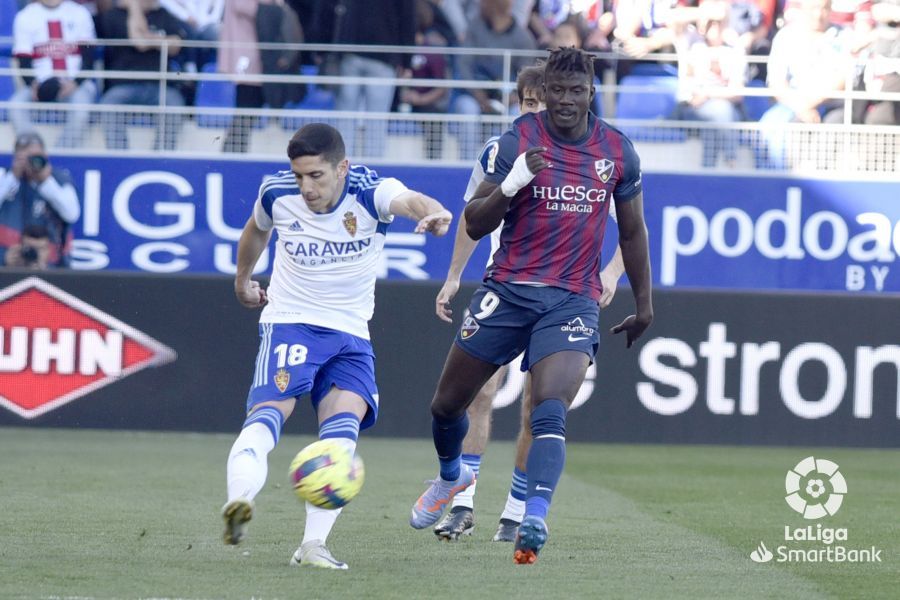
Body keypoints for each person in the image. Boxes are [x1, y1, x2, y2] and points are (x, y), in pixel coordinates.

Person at [409, 47, 653, 565]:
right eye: (556, 92)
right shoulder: (515, 141)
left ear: (591, 92)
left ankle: (532, 514)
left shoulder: (617, 151)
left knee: (548, 409)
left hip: (571, 301)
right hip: (508, 291)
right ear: (543, 94)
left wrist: (644, 303)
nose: (566, 102)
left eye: (576, 91)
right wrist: (514, 182)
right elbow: (473, 222)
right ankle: (452, 479)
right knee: (447, 406)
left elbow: (632, 231)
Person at [222, 123, 452, 570]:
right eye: (300, 176)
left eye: (317, 176)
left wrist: (436, 210)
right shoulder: (276, 192)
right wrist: (242, 281)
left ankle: (312, 546)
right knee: (269, 416)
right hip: (292, 322)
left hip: (350, 334)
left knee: (341, 436)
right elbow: (256, 230)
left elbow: (408, 201)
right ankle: (239, 503)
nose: (306, 187)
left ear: (342, 168)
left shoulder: (369, 190)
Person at [95, 0, 189, 151]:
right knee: (109, 103)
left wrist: (146, 38)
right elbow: (138, 41)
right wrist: (135, 9)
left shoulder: (164, 15)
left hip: (159, 85)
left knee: (174, 103)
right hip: (123, 85)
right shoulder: (114, 16)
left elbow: (176, 46)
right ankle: (119, 155)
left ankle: (161, 155)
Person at [11, 0, 98, 149]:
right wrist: (33, 84)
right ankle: (33, 149)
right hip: (39, 84)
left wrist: (75, 83)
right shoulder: (25, 16)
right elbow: (23, 59)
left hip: (76, 84)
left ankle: (59, 154)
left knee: (81, 110)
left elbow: (89, 57)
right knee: (15, 106)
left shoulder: (80, 13)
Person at [0, 132, 80, 269]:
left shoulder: (59, 179)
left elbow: (72, 214)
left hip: (50, 264)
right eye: (25, 157)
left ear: (45, 156)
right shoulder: (4, 176)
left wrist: (45, 181)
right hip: (8, 261)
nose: (31, 162)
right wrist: (13, 177)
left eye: (36, 157)